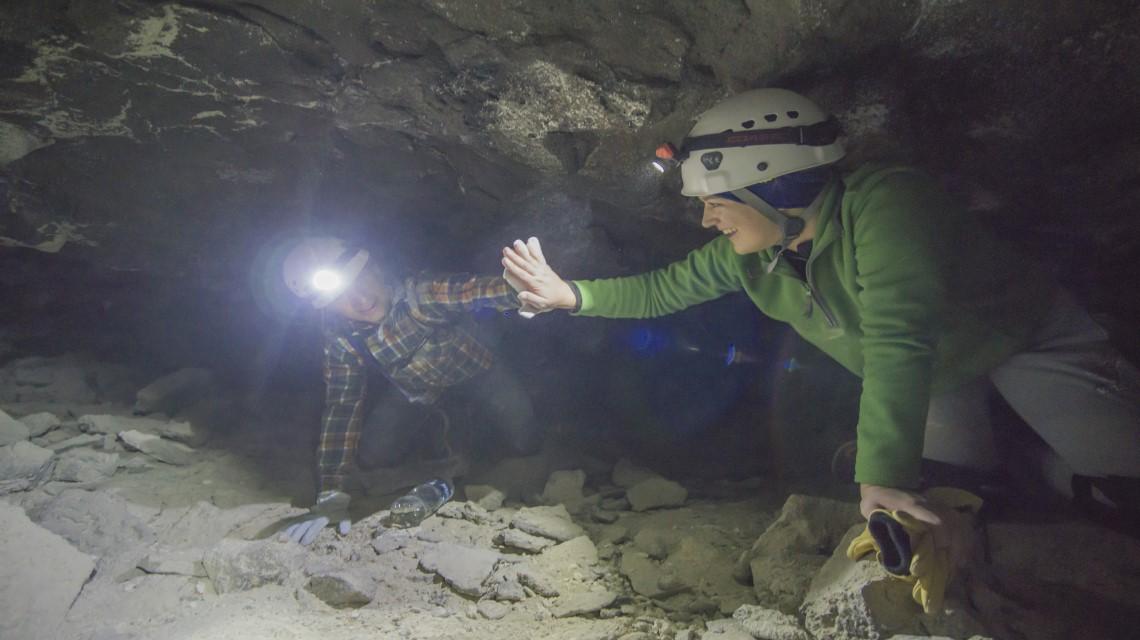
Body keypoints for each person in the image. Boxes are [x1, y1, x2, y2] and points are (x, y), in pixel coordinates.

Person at [502, 88, 1140, 559]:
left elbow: (898, 339)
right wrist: (569, 295)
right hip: (941, 375)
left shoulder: (887, 204)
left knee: (1124, 493)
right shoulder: (753, 255)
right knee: (944, 502)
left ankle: (1040, 451)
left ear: (773, 189)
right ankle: (1022, 464)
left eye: (716, 202)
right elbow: (661, 290)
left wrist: (880, 475)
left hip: (1021, 337)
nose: (706, 220)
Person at [278, 237, 541, 545]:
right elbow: (342, 405)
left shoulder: (420, 294)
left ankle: (489, 455)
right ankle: (437, 464)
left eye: (360, 281)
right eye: (341, 296)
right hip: (416, 392)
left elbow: (473, 290)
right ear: (329, 307)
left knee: (524, 438)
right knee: (373, 456)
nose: (360, 299)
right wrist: (331, 494)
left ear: (375, 269)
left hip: (480, 373)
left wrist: (530, 288)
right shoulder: (340, 335)